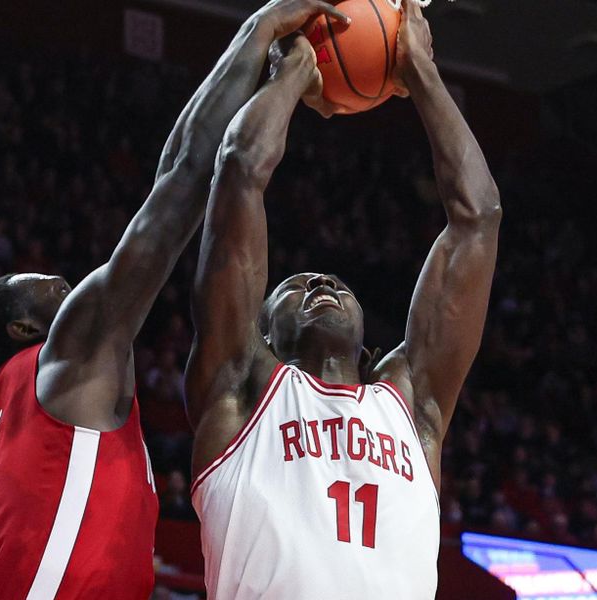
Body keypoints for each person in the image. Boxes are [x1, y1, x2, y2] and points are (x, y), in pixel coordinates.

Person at [0, 2, 349, 598]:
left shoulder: (34, 422)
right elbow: (183, 180)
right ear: (23, 329)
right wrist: (261, 34)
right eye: (43, 282)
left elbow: (172, 173)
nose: (67, 280)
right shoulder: (64, 360)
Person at [185, 3, 501, 598]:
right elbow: (240, 168)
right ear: (263, 334)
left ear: (371, 339)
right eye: (295, 286)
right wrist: (293, 74)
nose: (321, 287)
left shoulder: (414, 406)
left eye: (335, 285)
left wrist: (421, 70)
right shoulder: (239, 387)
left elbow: (478, 219)